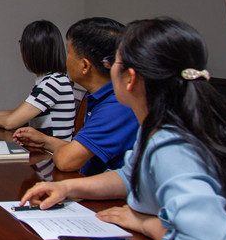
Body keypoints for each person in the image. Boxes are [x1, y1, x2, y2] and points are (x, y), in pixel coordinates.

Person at [22, 18, 226, 240]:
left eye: (114, 62)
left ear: (131, 79)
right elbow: (129, 176)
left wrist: (145, 224)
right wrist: (67, 188)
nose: (108, 67)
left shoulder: (171, 147)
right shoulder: (156, 127)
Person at [13, 18, 139, 175]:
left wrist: (53, 146)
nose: (66, 60)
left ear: (84, 65)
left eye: (69, 53)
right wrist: (44, 141)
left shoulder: (117, 106)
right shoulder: (100, 97)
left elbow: (66, 161)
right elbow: (82, 150)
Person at [0, 20, 76, 138]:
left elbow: (10, 122)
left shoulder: (52, 84)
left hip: (49, 152)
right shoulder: (55, 79)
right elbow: (17, 113)